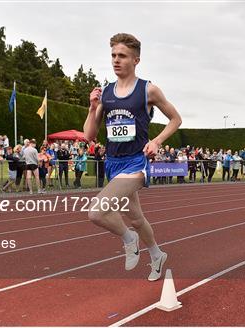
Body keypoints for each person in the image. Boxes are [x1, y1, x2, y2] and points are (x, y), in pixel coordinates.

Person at [83, 33, 182, 281]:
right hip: (113, 163)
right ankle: (157, 254)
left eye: (122, 56)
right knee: (136, 218)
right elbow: (89, 135)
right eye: (113, 55)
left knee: (96, 212)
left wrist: (156, 141)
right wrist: (93, 107)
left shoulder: (148, 90)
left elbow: (176, 119)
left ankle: (129, 239)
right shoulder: (105, 93)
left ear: (136, 60)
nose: (116, 60)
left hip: (137, 164)